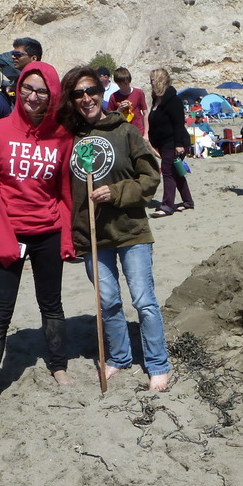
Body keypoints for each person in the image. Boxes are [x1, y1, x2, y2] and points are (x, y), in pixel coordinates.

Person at [0, 61, 75, 410]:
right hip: (7, 230)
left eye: (42, 90)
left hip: (48, 231)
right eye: (27, 88)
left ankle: (57, 365)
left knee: (51, 305)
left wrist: (68, 237)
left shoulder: (62, 136)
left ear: (52, 95)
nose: (33, 96)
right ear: (17, 88)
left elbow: (65, 192)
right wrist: (3, 236)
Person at [58, 66, 169, 389]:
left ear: (102, 92)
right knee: (107, 303)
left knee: (144, 301)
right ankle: (119, 357)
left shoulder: (125, 132)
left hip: (131, 230)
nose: (86, 98)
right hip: (92, 235)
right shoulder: (70, 137)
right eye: (78, 93)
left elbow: (150, 178)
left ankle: (157, 362)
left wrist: (116, 192)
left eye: (91, 90)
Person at [147, 68, 194, 217]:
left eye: (153, 80)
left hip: (175, 143)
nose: (150, 83)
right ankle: (188, 202)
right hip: (163, 143)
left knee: (167, 172)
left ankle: (167, 206)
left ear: (160, 81)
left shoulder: (173, 100)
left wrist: (179, 144)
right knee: (176, 173)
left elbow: (178, 124)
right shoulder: (157, 99)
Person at [106, 67, 148, 137]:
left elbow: (145, 113)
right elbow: (109, 117)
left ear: (129, 81)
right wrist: (119, 110)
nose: (123, 87)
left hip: (138, 131)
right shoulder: (113, 96)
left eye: (125, 84)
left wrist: (146, 134)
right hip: (122, 133)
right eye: (120, 84)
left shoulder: (138, 93)